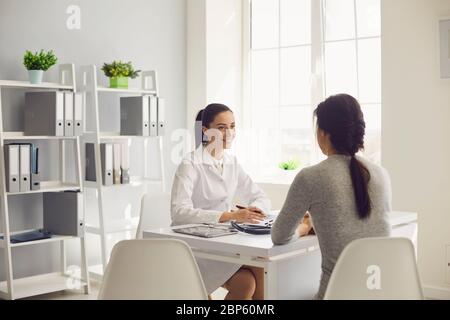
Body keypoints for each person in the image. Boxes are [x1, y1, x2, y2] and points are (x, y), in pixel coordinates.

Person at [271, 94, 392, 299]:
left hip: (335, 294)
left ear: (323, 134)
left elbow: (279, 235)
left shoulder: (311, 176)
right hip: (381, 292)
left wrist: (305, 227)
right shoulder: (381, 173)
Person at [171, 103, 271, 299]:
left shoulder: (232, 162)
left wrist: (255, 210)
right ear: (206, 131)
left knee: (255, 276)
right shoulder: (190, 164)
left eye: (232, 126)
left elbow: (260, 196)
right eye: (222, 128)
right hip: (196, 247)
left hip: (226, 241)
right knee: (249, 280)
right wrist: (230, 215)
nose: (229, 133)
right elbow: (179, 212)